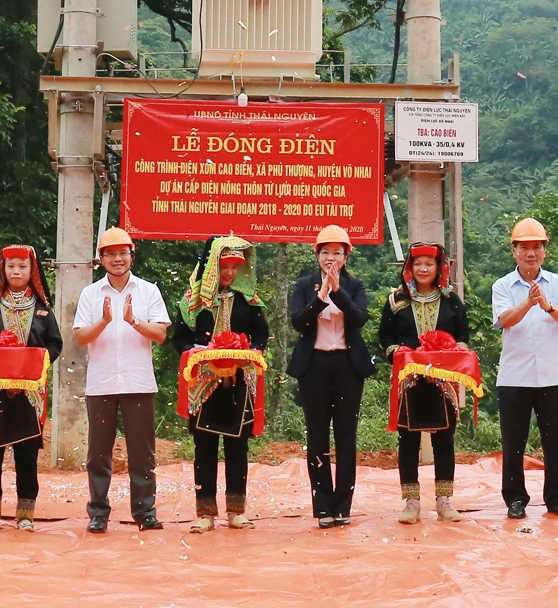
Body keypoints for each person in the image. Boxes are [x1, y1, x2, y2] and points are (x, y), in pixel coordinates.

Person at [75, 226, 171, 533]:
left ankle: (145, 512)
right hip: (101, 383)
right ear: (101, 258)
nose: (117, 259)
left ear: (132, 255)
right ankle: (98, 513)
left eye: (123, 253)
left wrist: (134, 321)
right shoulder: (91, 294)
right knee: (98, 453)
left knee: (142, 453)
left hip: (138, 382)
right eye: (111, 254)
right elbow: (79, 338)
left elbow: (160, 334)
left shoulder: (148, 291)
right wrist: (104, 321)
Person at [173, 236, 270, 532]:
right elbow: (179, 340)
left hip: (237, 381)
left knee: (237, 447)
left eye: (233, 267)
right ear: (212, 267)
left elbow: (261, 336)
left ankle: (236, 511)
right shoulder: (193, 303)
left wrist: (246, 354)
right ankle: (205, 513)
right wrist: (201, 353)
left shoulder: (249, 302)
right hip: (203, 384)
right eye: (223, 266)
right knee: (204, 447)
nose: (229, 273)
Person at [0, 243, 61, 531]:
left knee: (27, 455)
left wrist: (36, 362)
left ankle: (25, 515)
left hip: (28, 394)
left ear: (32, 270)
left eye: (22, 266)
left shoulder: (43, 309)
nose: (16, 271)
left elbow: (55, 344)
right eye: (11, 266)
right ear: (3, 270)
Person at [376, 241, 470, 524]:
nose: (423, 268)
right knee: (408, 440)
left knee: (445, 439)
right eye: (418, 264)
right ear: (410, 267)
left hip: (443, 381)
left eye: (429, 263)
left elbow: (463, 336)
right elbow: (385, 339)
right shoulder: (396, 301)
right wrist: (399, 352)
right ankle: (411, 502)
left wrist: (455, 354)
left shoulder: (452, 300)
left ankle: (444, 500)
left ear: (439, 268)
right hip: (410, 381)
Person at [288, 223, 372, 528]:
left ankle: (343, 506)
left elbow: (360, 319)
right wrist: (321, 296)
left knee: (346, 436)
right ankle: (323, 506)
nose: (331, 258)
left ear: (347, 256)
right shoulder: (304, 284)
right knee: (317, 436)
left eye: (338, 252)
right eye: (326, 252)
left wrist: (337, 292)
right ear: (317, 255)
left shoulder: (355, 285)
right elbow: (298, 322)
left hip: (348, 367)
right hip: (314, 367)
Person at [493, 217, 558, 519]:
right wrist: (528, 303)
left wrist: (548, 306)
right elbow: (504, 320)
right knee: (514, 441)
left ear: (544, 251)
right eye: (524, 247)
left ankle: (557, 498)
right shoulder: (502, 286)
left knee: (554, 441)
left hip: (552, 375)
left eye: (536, 247)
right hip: (515, 375)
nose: (531, 253)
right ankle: (515, 498)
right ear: (514, 250)